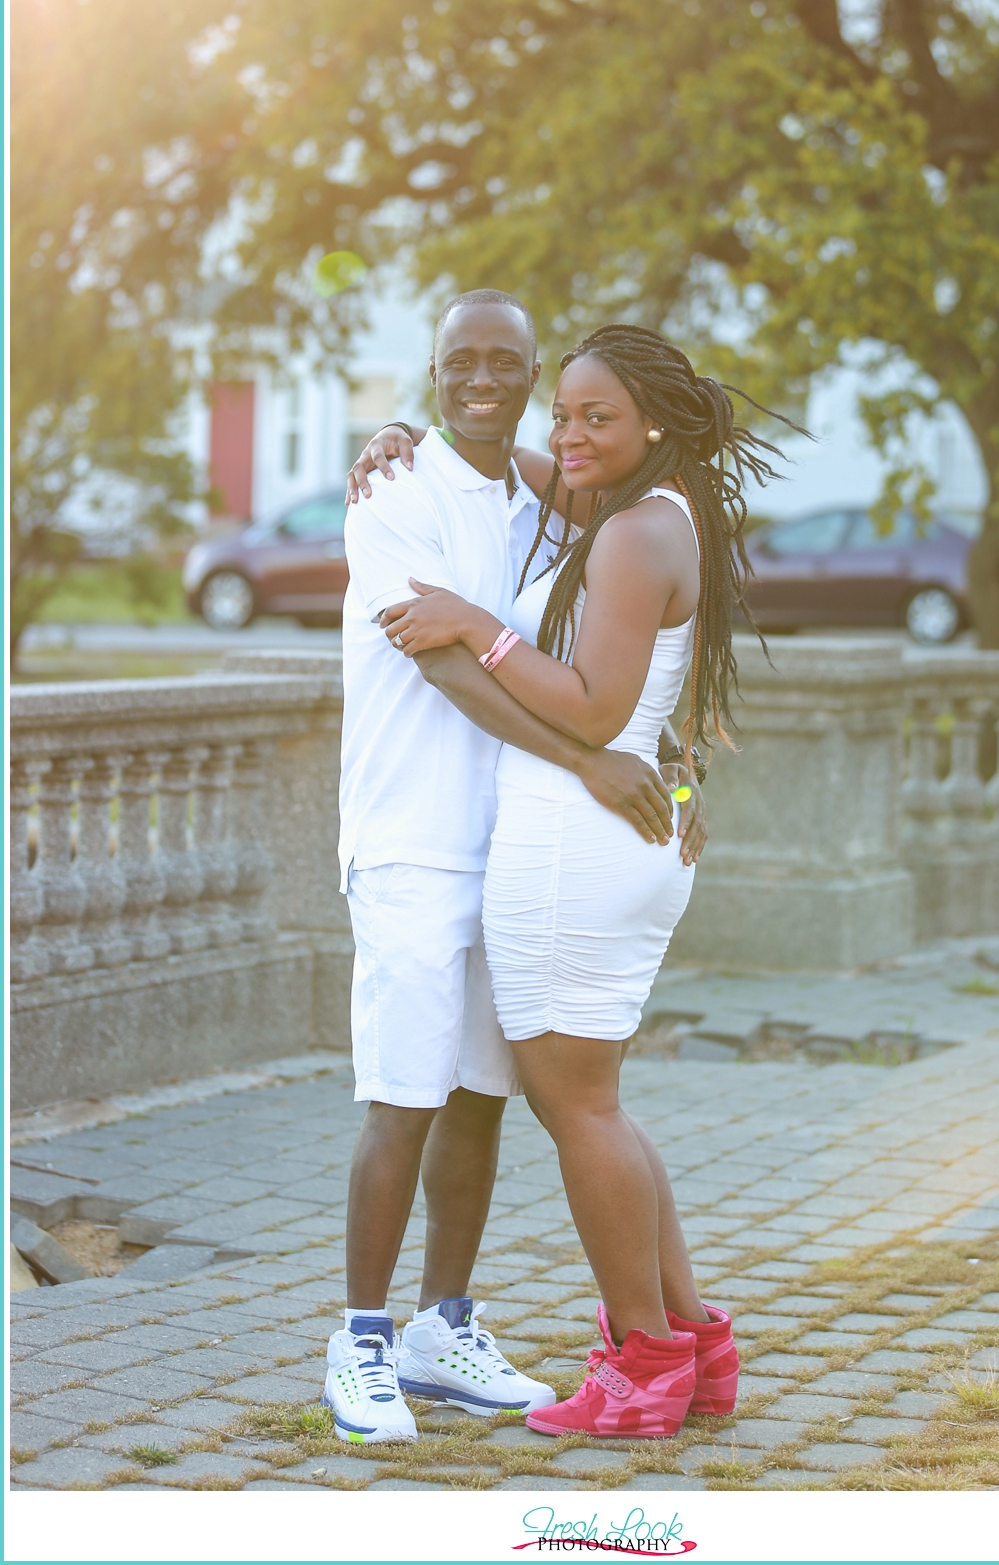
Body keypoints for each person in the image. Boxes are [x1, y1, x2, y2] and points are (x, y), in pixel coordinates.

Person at [374, 322, 791, 1439]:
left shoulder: (627, 538)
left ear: (650, 420)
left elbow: (597, 709)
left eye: (594, 416)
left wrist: (477, 627)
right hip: (624, 843)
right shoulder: (662, 510)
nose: (569, 436)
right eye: (561, 414)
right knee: (599, 1105)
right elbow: (517, 460)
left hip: (575, 838)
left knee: (580, 1108)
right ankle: (692, 1350)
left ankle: (642, 1370)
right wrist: (413, 438)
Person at [325, 291, 705, 1446]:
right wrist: (593, 761)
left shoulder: (549, 498)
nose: (482, 380)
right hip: (409, 837)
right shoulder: (393, 490)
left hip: (512, 846)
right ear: (431, 373)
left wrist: (659, 759)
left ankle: (446, 1328)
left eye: (506, 364)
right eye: (459, 363)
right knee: (405, 1099)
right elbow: (447, 665)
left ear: (530, 375)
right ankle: (362, 1341)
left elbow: (613, 653)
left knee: (484, 1099)